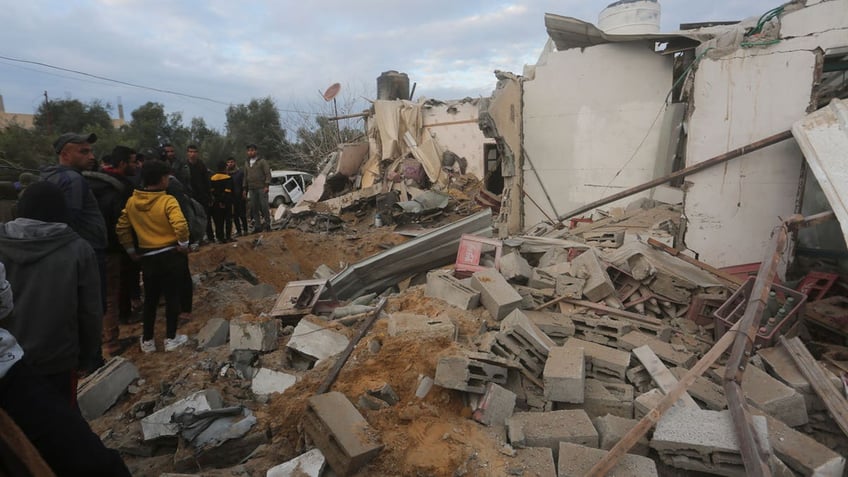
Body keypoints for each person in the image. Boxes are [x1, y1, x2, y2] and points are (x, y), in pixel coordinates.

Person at [0, 181, 102, 404]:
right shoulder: (78, 249)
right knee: (61, 427)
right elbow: (90, 311)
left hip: (6, 363)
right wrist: (87, 356)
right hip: (57, 360)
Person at [41, 132, 108, 370]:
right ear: (65, 154)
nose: (91, 156)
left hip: (69, 256)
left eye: (90, 151)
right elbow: (69, 220)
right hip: (85, 254)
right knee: (91, 307)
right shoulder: (72, 180)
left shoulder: (51, 177)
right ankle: (92, 361)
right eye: (84, 151)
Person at [116, 160, 190, 353]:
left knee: (150, 300)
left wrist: (131, 250)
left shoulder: (132, 202)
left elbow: (122, 227)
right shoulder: (167, 200)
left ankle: (147, 340)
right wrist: (183, 244)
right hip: (170, 255)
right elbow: (180, 225)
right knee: (172, 298)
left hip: (148, 257)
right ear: (162, 179)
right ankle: (170, 338)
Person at [84, 146, 139, 355]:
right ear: (123, 163)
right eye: (133, 161)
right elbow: (123, 222)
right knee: (110, 295)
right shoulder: (120, 187)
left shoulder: (89, 183)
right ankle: (112, 343)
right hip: (112, 248)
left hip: (86, 248)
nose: (136, 165)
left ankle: (96, 342)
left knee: (92, 296)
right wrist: (131, 247)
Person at [186, 144, 214, 243]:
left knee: (206, 217)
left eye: (194, 152)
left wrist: (209, 196)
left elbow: (207, 181)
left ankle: (210, 237)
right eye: (190, 152)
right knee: (192, 219)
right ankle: (196, 240)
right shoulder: (185, 166)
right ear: (187, 153)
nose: (192, 154)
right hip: (190, 196)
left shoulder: (201, 165)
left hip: (203, 196)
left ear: (197, 153)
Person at [243, 143, 271, 233]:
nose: (250, 152)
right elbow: (245, 176)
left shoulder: (262, 161)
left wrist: (266, 185)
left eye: (252, 150)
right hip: (251, 188)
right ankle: (258, 226)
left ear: (256, 151)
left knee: (264, 207)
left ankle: (267, 224)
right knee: (254, 208)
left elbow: (268, 174)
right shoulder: (247, 163)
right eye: (249, 151)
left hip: (261, 187)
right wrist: (244, 189)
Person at [210, 160, 234, 243]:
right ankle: (228, 237)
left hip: (216, 203)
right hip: (226, 202)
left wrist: (218, 200)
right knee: (228, 220)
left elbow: (212, 191)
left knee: (218, 221)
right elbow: (227, 190)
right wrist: (223, 201)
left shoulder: (213, 178)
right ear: (225, 168)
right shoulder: (228, 178)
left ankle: (220, 238)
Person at [227, 156, 248, 237]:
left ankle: (245, 230)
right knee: (235, 215)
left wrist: (244, 191)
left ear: (234, 162)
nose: (230, 164)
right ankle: (239, 231)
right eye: (228, 162)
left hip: (240, 196)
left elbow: (244, 183)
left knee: (242, 214)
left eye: (231, 162)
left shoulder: (240, 173)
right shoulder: (227, 174)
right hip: (231, 198)